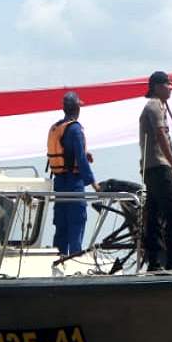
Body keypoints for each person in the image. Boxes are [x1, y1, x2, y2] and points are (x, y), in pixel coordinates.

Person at [139, 70, 172, 271]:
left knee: (154, 215)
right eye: (167, 84)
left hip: (150, 169)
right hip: (159, 166)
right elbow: (160, 135)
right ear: (157, 86)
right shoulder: (155, 106)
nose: (170, 87)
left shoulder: (156, 106)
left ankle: (154, 262)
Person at [46, 91, 98, 255]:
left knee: (61, 224)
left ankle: (58, 257)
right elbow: (81, 160)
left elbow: (68, 152)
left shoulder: (56, 127)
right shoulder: (75, 129)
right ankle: (75, 258)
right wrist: (94, 183)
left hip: (59, 182)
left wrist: (83, 153)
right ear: (77, 108)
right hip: (74, 183)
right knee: (77, 222)